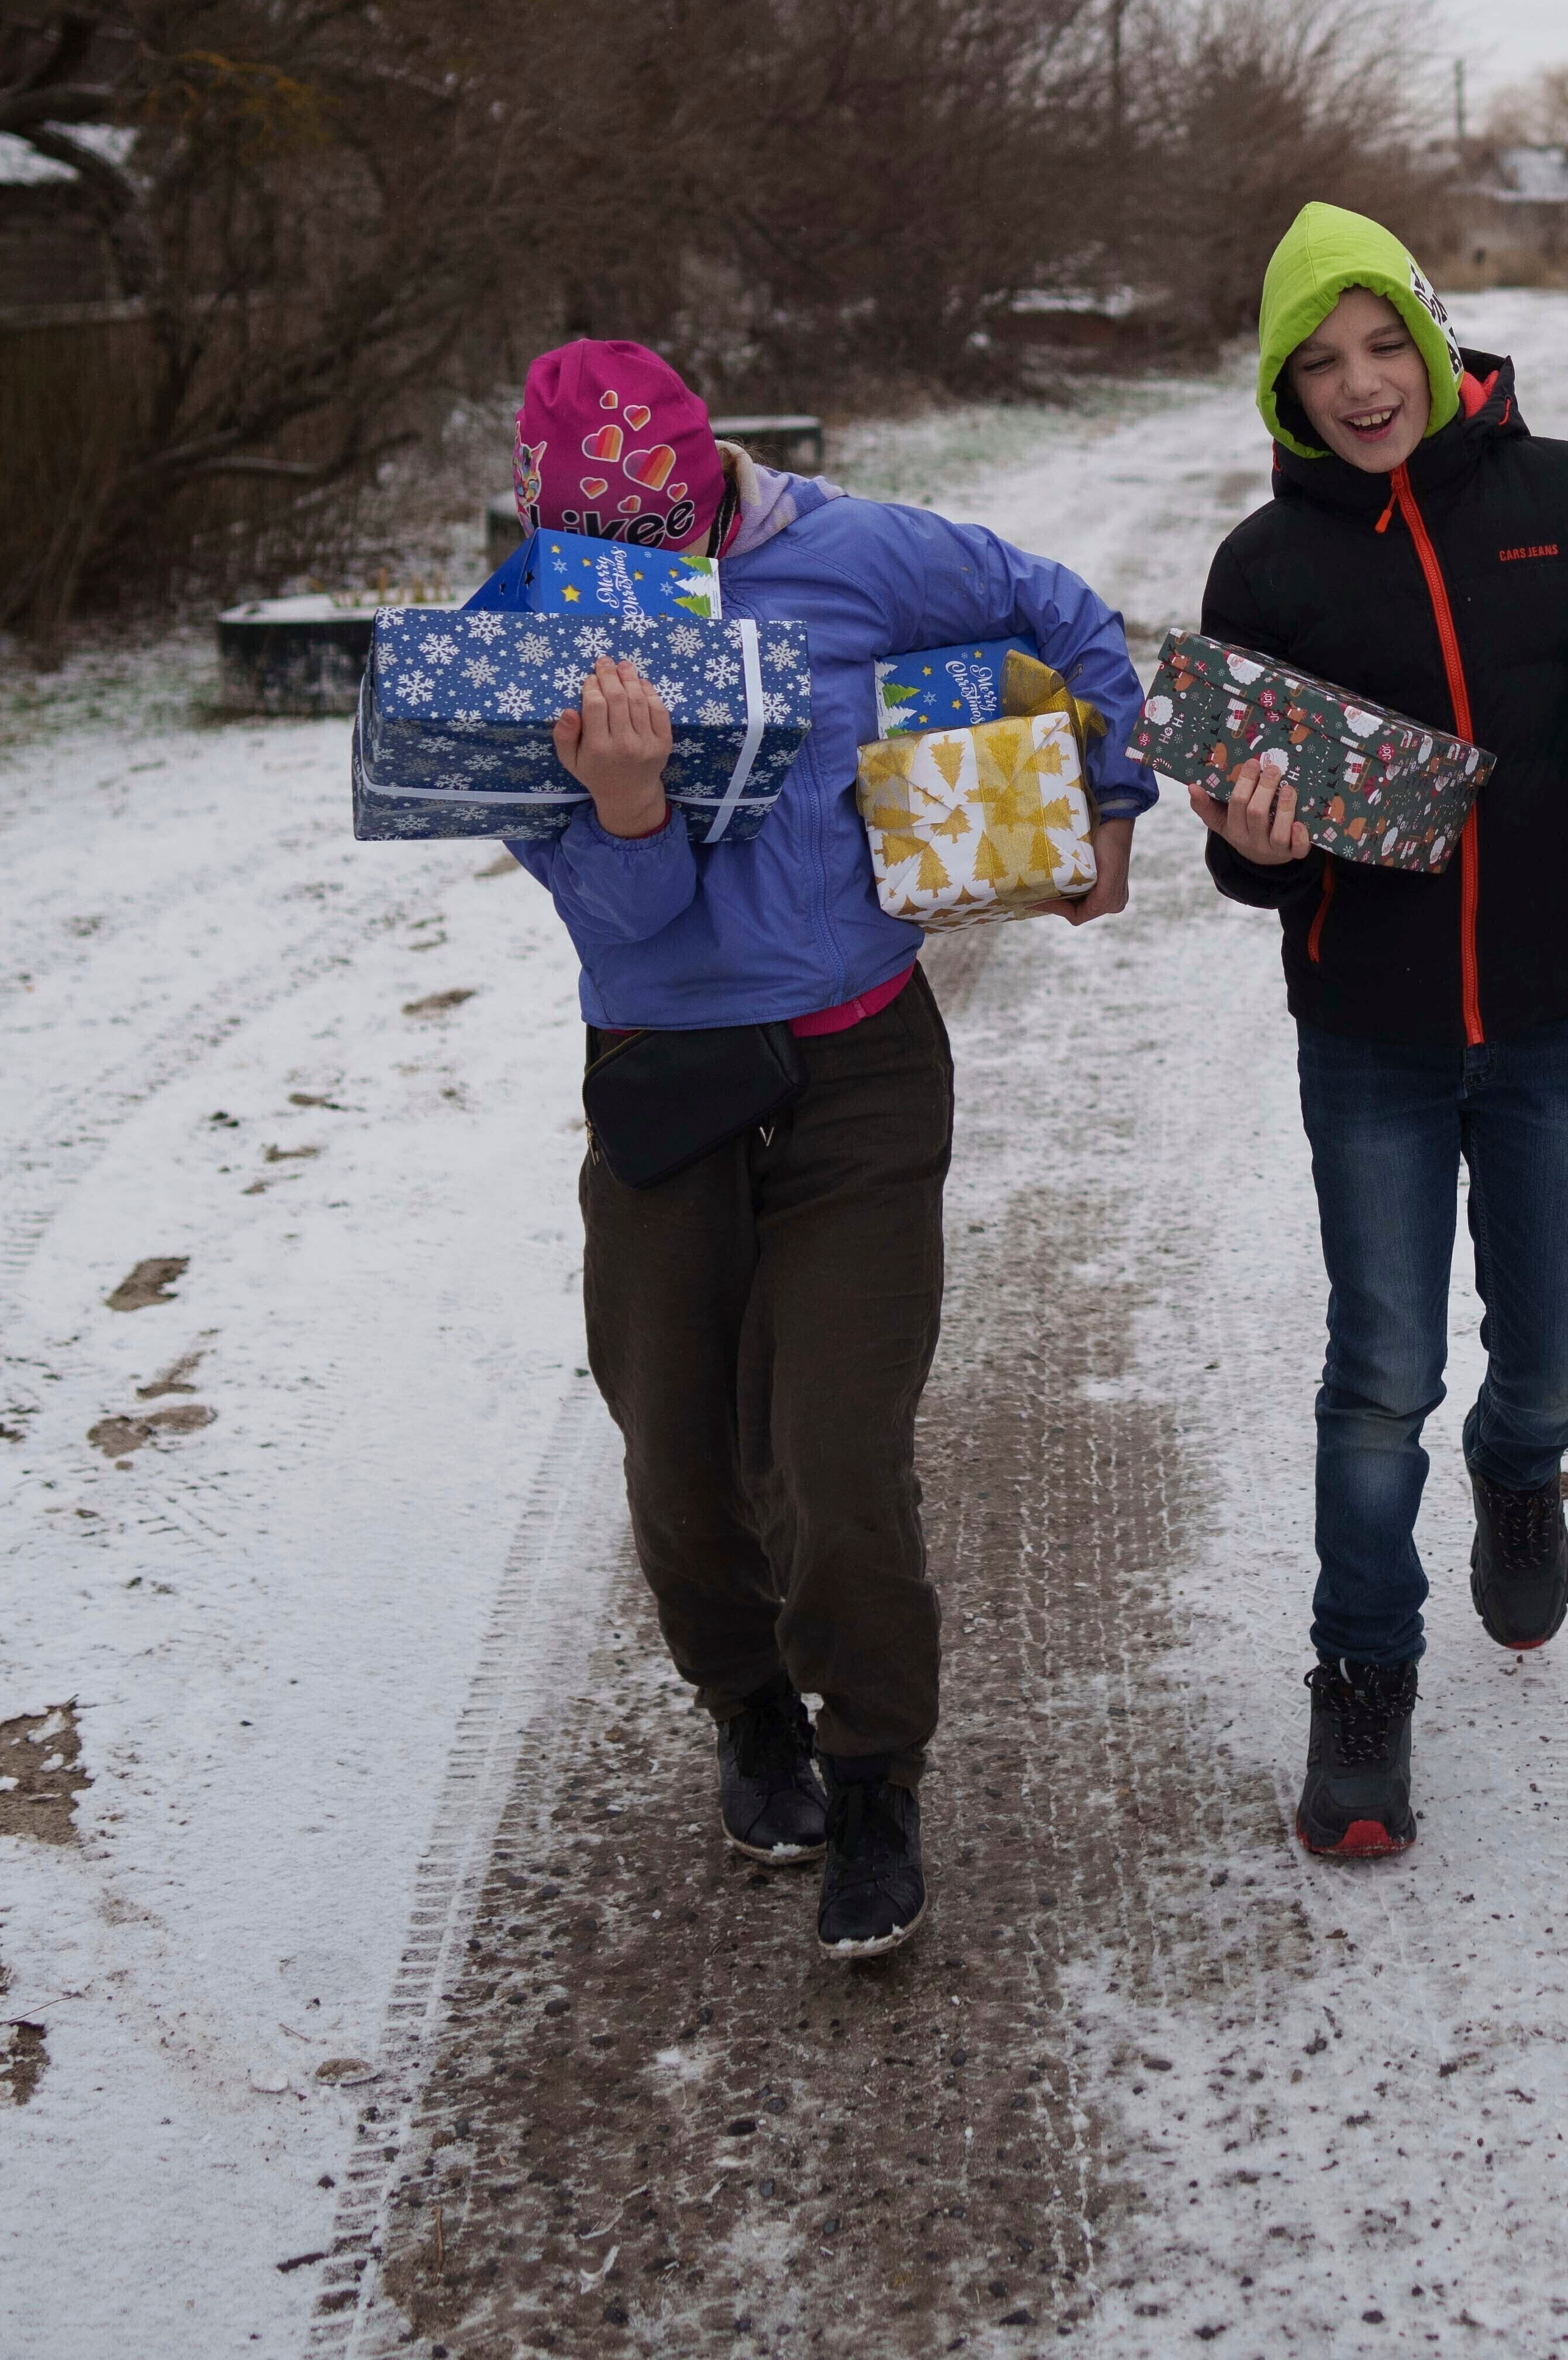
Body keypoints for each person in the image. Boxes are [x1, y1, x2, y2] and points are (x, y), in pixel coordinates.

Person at [503, 339, 1152, 1961]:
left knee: (838, 1450)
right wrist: (629, 807)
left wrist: (1108, 796)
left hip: (863, 1059)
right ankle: (751, 1717)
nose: (651, 572)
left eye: (677, 530)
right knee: (680, 1456)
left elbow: (1061, 612)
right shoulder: (526, 639)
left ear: (717, 473)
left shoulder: (854, 553)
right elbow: (623, 926)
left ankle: (873, 1773)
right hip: (665, 1077)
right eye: (612, 549)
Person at [1184, 207, 1568, 1861]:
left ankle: (1522, 1466)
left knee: (1564, 1340)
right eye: (1320, 364)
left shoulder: (1567, 501)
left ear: (1436, 343)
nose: (1362, 386)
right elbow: (1237, 817)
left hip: (1547, 1012)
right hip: (1365, 1030)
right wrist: (1257, 844)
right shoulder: (1268, 565)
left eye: (1383, 346)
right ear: (1285, 393)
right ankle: (1363, 1680)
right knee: (1380, 1371)